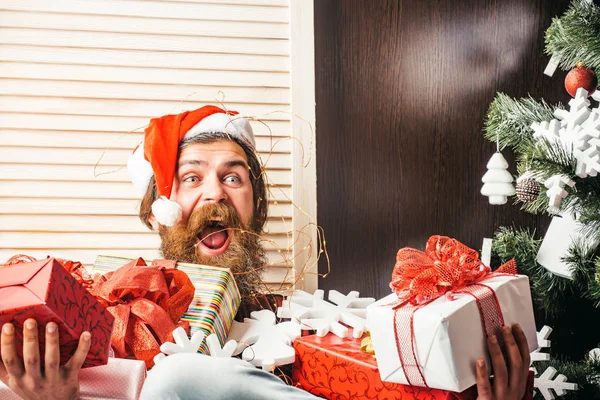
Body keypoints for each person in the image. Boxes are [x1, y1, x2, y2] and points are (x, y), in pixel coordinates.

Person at [0, 106, 531, 400]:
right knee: (178, 377)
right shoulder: (113, 320)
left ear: (254, 207)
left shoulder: (309, 324)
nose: (215, 193)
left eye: (233, 177)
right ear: (162, 208)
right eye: (192, 178)